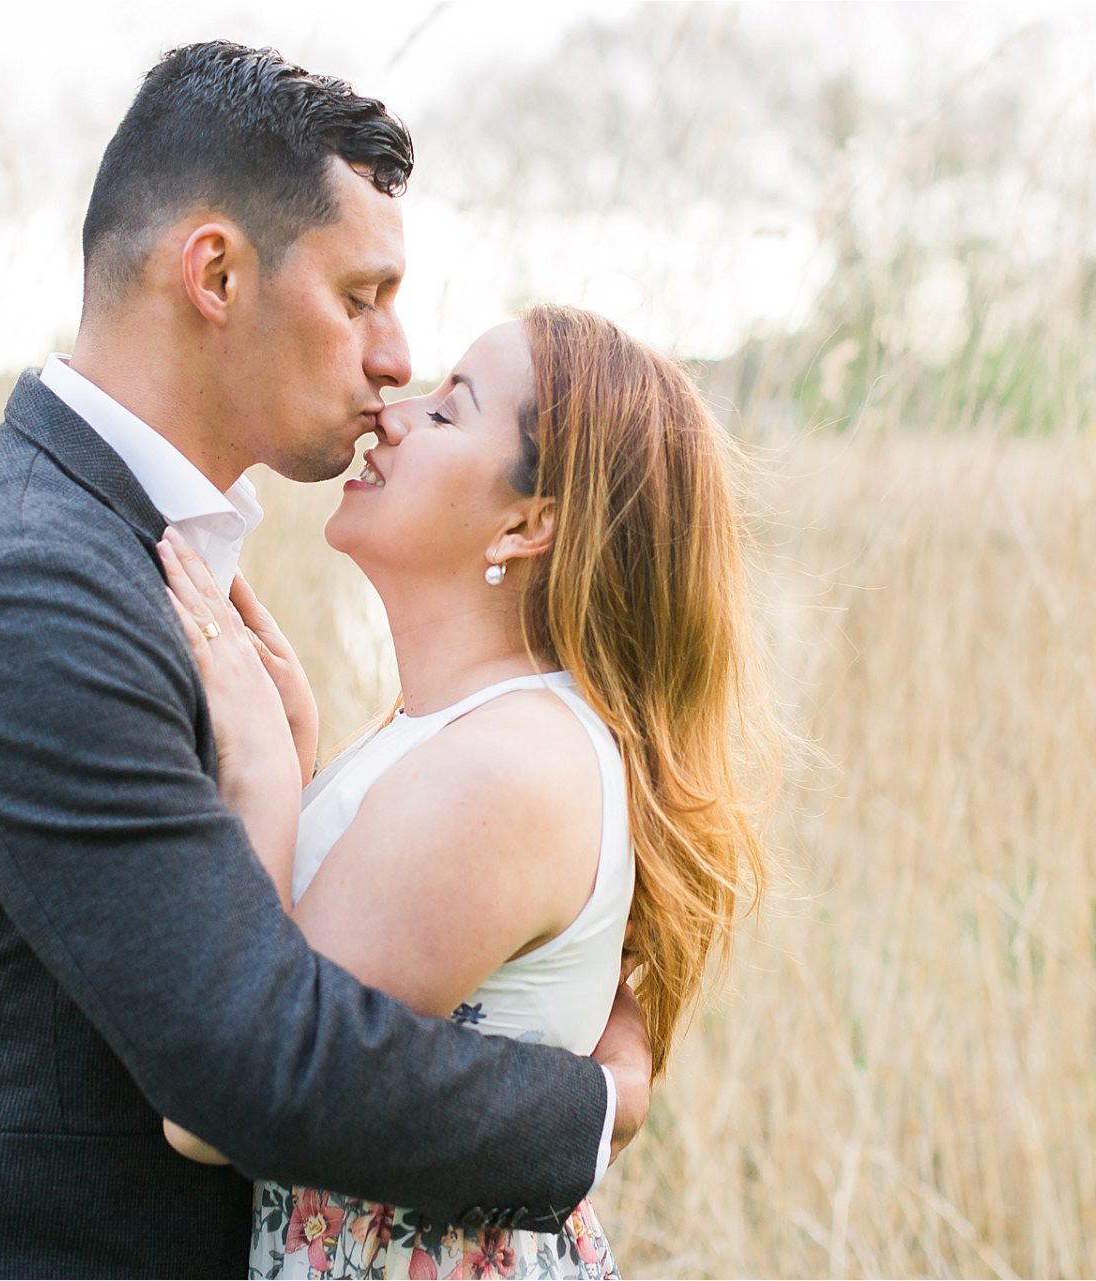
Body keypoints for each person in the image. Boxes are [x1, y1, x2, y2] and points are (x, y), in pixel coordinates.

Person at [0, 44, 652, 1279]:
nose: (391, 356)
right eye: (361, 295)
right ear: (214, 273)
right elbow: (256, 1060)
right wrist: (592, 1108)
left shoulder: (118, 553)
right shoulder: (30, 588)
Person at [156, 305, 778, 1279]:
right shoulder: (456, 736)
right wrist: (303, 768)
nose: (391, 416)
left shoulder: (509, 769)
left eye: (450, 412)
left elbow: (215, 1110)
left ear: (532, 522)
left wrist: (263, 785)